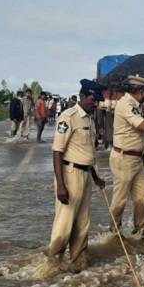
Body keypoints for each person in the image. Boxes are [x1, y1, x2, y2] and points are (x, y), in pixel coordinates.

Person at [48, 79, 107, 272]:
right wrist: (60, 185)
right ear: (82, 96)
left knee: (82, 223)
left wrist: (95, 176)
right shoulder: (68, 117)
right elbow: (58, 151)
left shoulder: (89, 118)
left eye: (97, 100)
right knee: (65, 223)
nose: (95, 103)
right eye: (92, 99)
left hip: (85, 174)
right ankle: (52, 265)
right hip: (70, 174)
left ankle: (79, 264)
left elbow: (85, 151)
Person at [109, 76, 144, 236]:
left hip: (136, 159)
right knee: (120, 200)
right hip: (124, 158)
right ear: (139, 91)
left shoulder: (135, 103)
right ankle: (114, 231)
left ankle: (141, 230)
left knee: (142, 198)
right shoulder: (126, 105)